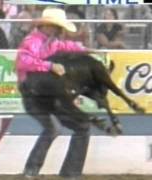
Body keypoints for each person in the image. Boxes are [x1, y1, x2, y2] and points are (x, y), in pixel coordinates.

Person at [16, 7, 101, 180]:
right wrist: (50, 66)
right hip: (35, 94)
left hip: (45, 94)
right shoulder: (32, 41)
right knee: (60, 128)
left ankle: (38, 172)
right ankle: (50, 172)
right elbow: (23, 62)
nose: (59, 31)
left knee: (70, 127)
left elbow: (66, 46)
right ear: (49, 26)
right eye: (57, 27)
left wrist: (83, 49)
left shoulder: (50, 42)